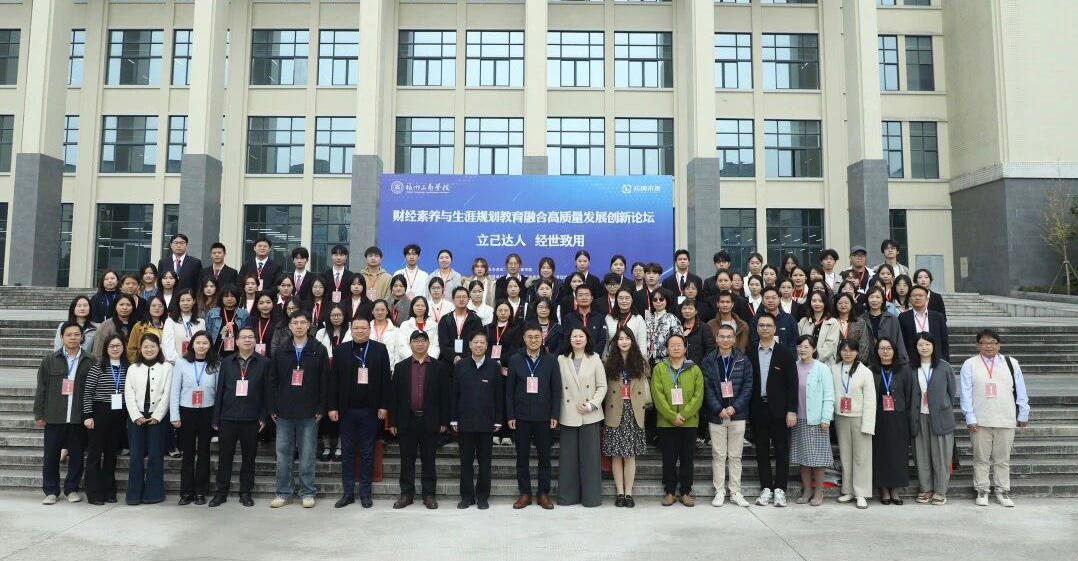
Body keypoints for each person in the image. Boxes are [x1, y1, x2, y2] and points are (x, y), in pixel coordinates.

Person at [960, 329, 1030, 508]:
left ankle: (1002, 491)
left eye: (992, 342)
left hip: (1005, 417)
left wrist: (1023, 412)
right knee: (981, 458)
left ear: (999, 345)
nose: (988, 346)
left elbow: (1020, 389)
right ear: (977, 345)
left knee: (1002, 459)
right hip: (980, 419)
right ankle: (982, 490)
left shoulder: (1011, 363)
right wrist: (970, 416)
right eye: (984, 342)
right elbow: (965, 392)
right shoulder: (970, 364)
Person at [329, 316, 392, 509]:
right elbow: (333, 381)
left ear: (369, 330)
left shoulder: (379, 349)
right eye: (356, 328)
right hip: (346, 411)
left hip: (370, 411)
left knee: (367, 452)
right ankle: (348, 493)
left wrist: (384, 406)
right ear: (351, 330)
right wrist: (332, 407)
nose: (359, 331)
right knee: (347, 453)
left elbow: (385, 380)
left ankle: (365, 493)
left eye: (363, 328)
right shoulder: (341, 350)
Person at [269, 309, 330, 508]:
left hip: (309, 411)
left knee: (307, 454)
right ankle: (283, 492)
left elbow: (324, 382)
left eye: (303, 322)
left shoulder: (318, 350)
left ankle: (307, 492)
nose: (299, 326)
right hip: (284, 411)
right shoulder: (281, 350)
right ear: (289, 326)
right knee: (283, 454)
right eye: (295, 323)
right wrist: (272, 407)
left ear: (309, 325)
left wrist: (321, 407)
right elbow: (273, 381)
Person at [389, 330, 451, 509]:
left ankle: (429, 494)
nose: (420, 344)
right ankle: (406, 494)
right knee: (406, 460)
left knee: (429, 460)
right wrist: (392, 422)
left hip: (430, 420)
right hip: (407, 420)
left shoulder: (439, 367)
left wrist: (444, 422)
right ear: (410, 344)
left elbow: (445, 397)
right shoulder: (401, 367)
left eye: (423, 341)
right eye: (416, 341)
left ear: (429, 344)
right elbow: (394, 397)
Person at [34, 321, 95, 505]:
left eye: (76, 334)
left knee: (77, 456)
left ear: (82, 337)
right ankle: (51, 491)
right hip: (54, 416)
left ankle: (72, 489)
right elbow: (41, 388)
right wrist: (39, 414)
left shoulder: (89, 360)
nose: (73, 338)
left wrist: (89, 414)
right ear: (62, 337)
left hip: (77, 417)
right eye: (69, 335)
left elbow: (92, 390)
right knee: (51, 456)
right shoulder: (49, 360)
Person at [210, 325, 271, 507]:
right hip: (228, 417)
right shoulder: (226, 362)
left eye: (250, 337)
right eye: (243, 337)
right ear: (236, 341)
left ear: (255, 341)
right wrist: (216, 418)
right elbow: (220, 390)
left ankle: (245, 492)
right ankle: (221, 492)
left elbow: (267, 392)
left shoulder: (264, 362)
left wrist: (263, 416)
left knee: (249, 459)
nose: (247, 340)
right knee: (225, 458)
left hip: (251, 419)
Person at [506, 324, 560, 509]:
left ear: (542, 338)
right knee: (522, 458)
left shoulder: (551, 360)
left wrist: (555, 414)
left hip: (544, 417)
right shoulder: (515, 359)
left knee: (544, 458)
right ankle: (525, 494)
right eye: (530, 337)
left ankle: (543, 494)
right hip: (521, 417)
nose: (533, 340)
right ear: (524, 338)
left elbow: (556, 390)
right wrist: (510, 415)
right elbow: (509, 391)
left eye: (537, 337)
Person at [749, 313, 798, 508]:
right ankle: (766, 488)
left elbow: (792, 384)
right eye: (761, 325)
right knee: (761, 451)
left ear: (775, 329)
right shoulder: (750, 352)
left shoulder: (785, 353)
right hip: (757, 409)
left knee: (781, 450)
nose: (765, 328)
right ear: (757, 328)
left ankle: (780, 489)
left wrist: (792, 410)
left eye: (768, 325)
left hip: (780, 410)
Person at [449, 332, 503, 509]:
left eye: (482, 342)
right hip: (465, 422)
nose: (479, 345)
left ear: (487, 346)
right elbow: (454, 394)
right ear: (470, 344)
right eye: (475, 342)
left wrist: (498, 420)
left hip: (487, 423)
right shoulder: (461, 365)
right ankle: (467, 497)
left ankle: (482, 497)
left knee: (485, 463)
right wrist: (453, 418)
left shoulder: (494, 366)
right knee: (465, 462)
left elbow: (498, 395)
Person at [702, 324, 753, 508]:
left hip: (737, 415)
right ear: (716, 339)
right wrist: (718, 409)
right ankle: (719, 491)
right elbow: (706, 387)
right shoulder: (709, 360)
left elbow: (748, 386)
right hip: (717, 415)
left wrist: (735, 407)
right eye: (721, 336)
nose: (725, 340)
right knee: (718, 455)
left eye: (728, 337)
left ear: (734, 339)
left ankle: (735, 491)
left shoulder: (743, 359)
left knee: (735, 455)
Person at [556, 327, 607, 507]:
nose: (578, 339)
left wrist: (591, 404)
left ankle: (591, 498)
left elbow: (602, 386)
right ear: (569, 339)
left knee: (590, 459)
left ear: (587, 339)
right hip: (568, 412)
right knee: (568, 459)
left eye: (581, 336)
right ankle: (567, 497)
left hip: (590, 413)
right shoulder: (561, 359)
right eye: (574, 336)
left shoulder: (595, 358)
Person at [651, 334, 704, 507]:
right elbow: (657, 395)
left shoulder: (694, 369)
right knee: (668, 459)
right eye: (672, 345)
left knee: (687, 459)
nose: (676, 347)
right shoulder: (660, 368)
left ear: (685, 348)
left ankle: (686, 492)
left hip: (689, 422)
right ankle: (670, 492)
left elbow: (698, 395)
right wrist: (672, 416)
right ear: (667, 349)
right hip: (666, 423)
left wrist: (684, 415)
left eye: (679, 345)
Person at [602, 327, 651, 508]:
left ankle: (629, 493)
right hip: (614, 410)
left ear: (632, 340)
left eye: (627, 338)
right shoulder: (608, 362)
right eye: (620, 338)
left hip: (633, 410)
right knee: (616, 455)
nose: (624, 341)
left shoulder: (641, 361)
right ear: (616, 342)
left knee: (630, 455)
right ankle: (620, 493)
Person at [170, 330, 219, 505]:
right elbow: (175, 391)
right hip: (186, 412)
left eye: (205, 343)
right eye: (198, 342)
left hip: (207, 412)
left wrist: (216, 418)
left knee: (204, 454)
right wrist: (174, 416)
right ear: (192, 344)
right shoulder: (181, 363)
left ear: (210, 345)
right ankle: (186, 492)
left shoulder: (216, 364)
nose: (201, 346)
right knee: (188, 454)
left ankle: (200, 492)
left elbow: (218, 393)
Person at [124, 333, 173, 505]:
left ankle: (154, 494)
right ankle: (133, 494)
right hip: (136, 416)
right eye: (145, 346)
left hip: (157, 416)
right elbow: (128, 393)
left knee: (155, 455)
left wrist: (157, 416)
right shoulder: (133, 368)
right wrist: (136, 416)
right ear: (140, 349)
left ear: (159, 348)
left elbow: (167, 394)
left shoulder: (167, 367)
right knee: (136, 456)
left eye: (152, 346)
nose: (149, 349)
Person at [910, 332, 956, 506]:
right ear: (915, 347)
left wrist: (942, 406)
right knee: (921, 454)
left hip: (940, 417)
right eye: (920, 344)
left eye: (927, 344)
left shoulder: (944, 367)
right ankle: (926, 488)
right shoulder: (911, 367)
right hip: (919, 416)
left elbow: (951, 392)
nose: (924, 348)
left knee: (941, 455)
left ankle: (940, 491)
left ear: (933, 346)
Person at [81, 334, 128, 505]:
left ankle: (109, 491)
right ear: (106, 349)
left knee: (111, 456)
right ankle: (94, 493)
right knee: (95, 455)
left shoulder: (127, 367)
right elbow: (88, 393)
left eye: (118, 345)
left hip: (118, 415)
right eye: (111, 346)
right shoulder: (98, 367)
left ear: (123, 347)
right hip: (99, 413)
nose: (115, 349)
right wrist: (88, 416)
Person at [789, 335, 834, 507]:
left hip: (816, 420)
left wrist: (826, 418)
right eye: (800, 346)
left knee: (818, 459)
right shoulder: (793, 367)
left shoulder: (822, 368)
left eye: (806, 347)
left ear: (814, 349)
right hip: (798, 418)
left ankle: (819, 491)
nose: (802, 350)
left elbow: (829, 395)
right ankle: (807, 490)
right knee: (803, 458)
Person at [832, 338, 876, 509]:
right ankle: (848, 490)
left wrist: (868, 424)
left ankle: (861, 493)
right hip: (841, 417)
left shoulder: (865, 372)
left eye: (851, 350)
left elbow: (870, 401)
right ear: (840, 352)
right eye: (844, 350)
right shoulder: (834, 369)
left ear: (857, 352)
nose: (847, 353)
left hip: (859, 417)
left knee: (861, 457)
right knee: (845, 455)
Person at [871, 336, 914, 505]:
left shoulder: (904, 370)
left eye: (889, 348)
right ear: (877, 351)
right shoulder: (872, 370)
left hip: (899, 417)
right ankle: (883, 490)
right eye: (882, 348)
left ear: (894, 351)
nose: (885, 351)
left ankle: (896, 489)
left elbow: (909, 395)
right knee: (880, 453)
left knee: (898, 453)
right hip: (878, 417)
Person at [899, 285, 950, 363]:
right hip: (912, 360)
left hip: (935, 359)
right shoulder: (903, 317)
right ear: (909, 299)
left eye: (921, 295)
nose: (917, 298)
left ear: (927, 299)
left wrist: (945, 360)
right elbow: (902, 341)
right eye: (914, 295)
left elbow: (944, 340)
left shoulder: (938, 317)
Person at [861, 286, 909, 365]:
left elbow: (899, 341)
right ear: (867, 299)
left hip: (889, 362)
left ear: (883, 300)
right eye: (871, 297)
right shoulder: (861, 320)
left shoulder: (892, 319)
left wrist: (904, 362)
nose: (874, 300)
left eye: (878, 297)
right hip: (867, 363)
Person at [438, 286, 484, 366]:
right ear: (453, 300)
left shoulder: (475, 319)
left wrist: (463, 358)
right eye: (458, 297)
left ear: (469, 299)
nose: (461, 299)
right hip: (448, 363)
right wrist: (454, 357)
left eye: (464, 297)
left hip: (470, 362)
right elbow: (443, 344)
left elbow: (477, 342)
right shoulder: (445, 319)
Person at [161, 289, 206, 365]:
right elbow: (167, 345)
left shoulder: (201, 322)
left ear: (194, 301)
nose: (185, 303)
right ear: (178, 302)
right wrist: (180, 362)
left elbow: (203, 344)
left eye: (188, 300)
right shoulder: (170, 321)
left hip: (195, 364)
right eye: (182, 300)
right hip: (175, 364)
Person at [561, 284, 607, 355]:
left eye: (587, 295)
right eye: (581, 295)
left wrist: (591, 355)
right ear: (576, 299)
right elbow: (566, 339)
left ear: (591, 298)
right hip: (574, 356)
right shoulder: (569, 318)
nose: (584, 298)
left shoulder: (600, 317)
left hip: (594, 357)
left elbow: (602, 340)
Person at [604, 287, 649, 360]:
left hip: (633, 360)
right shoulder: (608, 318)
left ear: (632, 299)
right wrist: (604, 359)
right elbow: (606, 342)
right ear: (616, 300)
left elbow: (642, 342)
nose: (624, 301)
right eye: (621, 298)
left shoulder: (638, 319)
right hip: (612, 359)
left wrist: (643, 360)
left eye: (627, 298)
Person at [797, 290, 841, 365]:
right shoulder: (803, 321)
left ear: (825, 303)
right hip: (804, 362)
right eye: (814, 301)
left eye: (820, 301)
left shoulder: (833, 322)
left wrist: (814, 359)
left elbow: (831, 345)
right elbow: (799, 342)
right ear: (810, 302)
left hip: (825, 363)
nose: (817, 304)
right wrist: (805, 358)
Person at [204, 284, 249, 355]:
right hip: (216, 353)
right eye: (226, 296)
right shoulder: (212, 313)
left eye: (232, 296)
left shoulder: (244, 314)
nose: (229, 299)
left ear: (237, 298)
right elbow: (208, 334)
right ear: (221, 298)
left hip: (237, 354)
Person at [396, 296, 439, 365]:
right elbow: (402, 346)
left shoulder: (434, 325)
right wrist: (414, 359)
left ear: (426, 308)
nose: (420, 308)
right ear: (412, 307)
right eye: (417, 305)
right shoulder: (405, 325)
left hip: (429, 363)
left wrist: (427, 359)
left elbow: (436, 346)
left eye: (422, 306)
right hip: (410, 363)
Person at [92, 294, 136, 361]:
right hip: (109, 364)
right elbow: (98, 350)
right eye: (121, 304)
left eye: (128, 305)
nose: (125, 307)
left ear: (133, 307)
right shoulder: (106, 325)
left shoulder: (138, 325)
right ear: (115, 307)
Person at [645, 289, 683, 364]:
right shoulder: (648, 320)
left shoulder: (673, 319)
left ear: (666, 301)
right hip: (648, 360)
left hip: (666, 361)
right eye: (655, 300)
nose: (658, 302)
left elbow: (678, 341)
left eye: (661, 299)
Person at [127, 296, 167, 363]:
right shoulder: (139, 326)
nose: (157, 308)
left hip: (164, 363)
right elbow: (131, 348)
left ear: (164, 308)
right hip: (143, 363)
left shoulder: (168, 325)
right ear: (148, 307)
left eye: (160, 306)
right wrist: (136, 363)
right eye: (153, 306)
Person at [250, 292, 280, 356]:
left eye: (268, 302)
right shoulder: (251, 321)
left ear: (273, 304)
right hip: (253, 356)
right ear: (257, 305)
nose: (265, 305)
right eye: (261, 303)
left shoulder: (279, 321)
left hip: (273, 356)